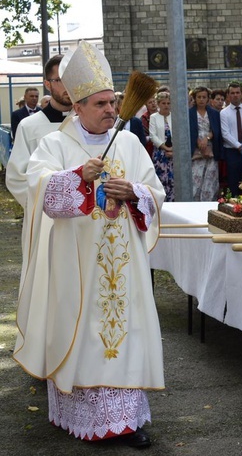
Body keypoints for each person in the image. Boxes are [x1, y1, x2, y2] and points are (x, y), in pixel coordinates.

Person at [13, 41, 165, 448]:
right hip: (75, 266)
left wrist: (133, 191)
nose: (111, 111)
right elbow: (38, 190)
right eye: (100, 104)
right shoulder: (55, 145)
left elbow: (156, 192)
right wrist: (78, 176)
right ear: (77, 107)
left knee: (125, 332)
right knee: (82, 334)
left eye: (112, 103)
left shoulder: (130, 143)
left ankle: (128, 421)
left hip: (124, 267)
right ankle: (84, 419)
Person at [6, 54, 74, 208]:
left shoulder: (88, 124)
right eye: (60, 80)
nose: (68, 85)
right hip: (46, 215)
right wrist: (50, 205)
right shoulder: (29, 126)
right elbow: (16, 178)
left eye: (71, 78)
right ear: (47, 84)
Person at [189, 86, 223, 201]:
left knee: (210, 181)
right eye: (199, 97)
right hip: (195, 151)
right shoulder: (189, 113)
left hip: (211, 150)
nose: (201, 99)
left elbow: (217, 130)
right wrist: (197, 141)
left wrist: (207, 138)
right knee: (195, 181)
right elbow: (187, 131)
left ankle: (209, 207)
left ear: (208, 98)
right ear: (194, 98)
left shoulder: (214, 113)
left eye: (204, 97)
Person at [149, 91, 174, 201]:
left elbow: (179, 133)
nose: (166, 106)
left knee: (173, 181)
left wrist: (173, 150)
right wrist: (165, 148)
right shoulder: (154, 117)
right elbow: (152, 135)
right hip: (160, 154)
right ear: (158, 104)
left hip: (174, 154)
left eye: (168, 103)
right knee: (161, 180)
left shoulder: (174, 116)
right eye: (163, 103)